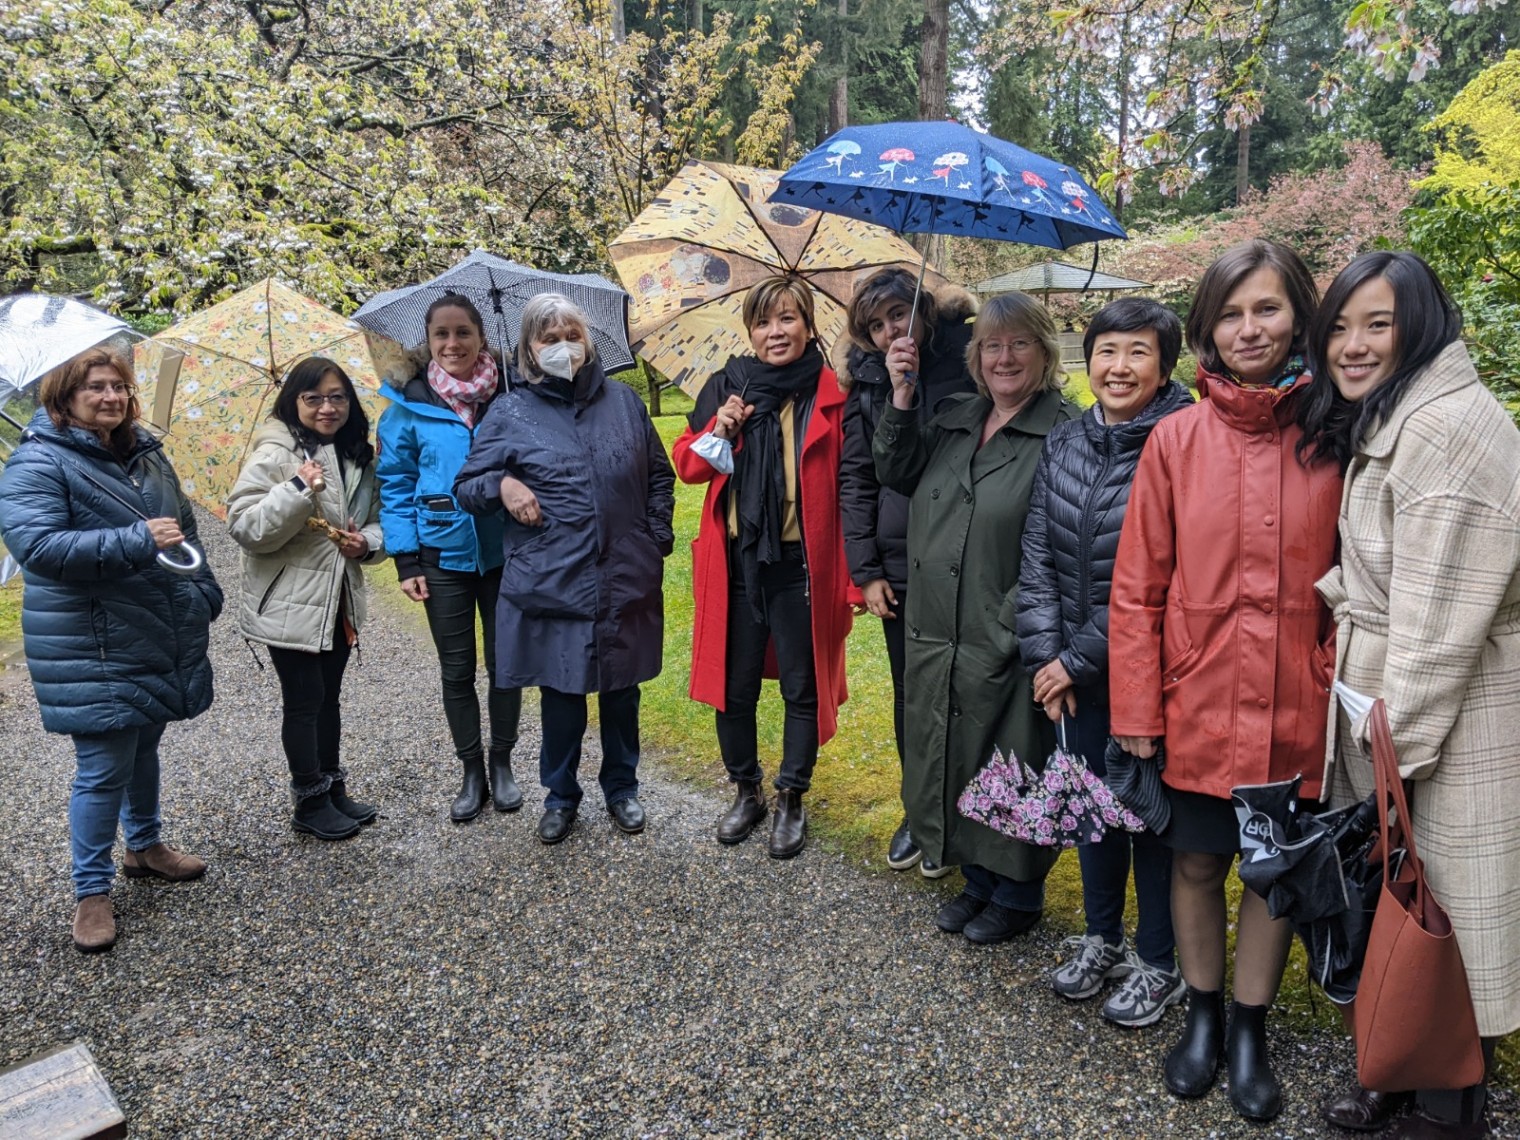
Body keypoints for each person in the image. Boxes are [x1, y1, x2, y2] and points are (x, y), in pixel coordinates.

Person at [1108, 239, 1342, 1122]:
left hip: (1296, 704)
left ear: (1298, 318)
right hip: (1197, 698)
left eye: (1269, 309)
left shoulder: (1333, 432)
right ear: (1207, 326)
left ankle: (1251, 1029)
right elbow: (1137, 586)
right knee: (1199, 860)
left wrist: (1329, 669)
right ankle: (1201, 1018)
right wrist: (1136, 704)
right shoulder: (1175, 438)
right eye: (1233, 312)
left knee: (1271, 872)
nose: (1251, 328)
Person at [1299, 251, 1520, 1140]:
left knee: (1447, 907)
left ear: (1420, 325)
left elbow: (1441, 620)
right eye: (1340, 327)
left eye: (1376, 325)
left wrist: (1399, 751)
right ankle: (1398, 1061)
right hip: (1389, 699)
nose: (1352, 346)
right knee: (1405, 897)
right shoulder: (1403, 415)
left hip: (1448, 713)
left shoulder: (1449, 431)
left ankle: (1448, 1101)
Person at [0, 347, 221, 953]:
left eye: (120, 387)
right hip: (91, 639)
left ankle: (145, 846)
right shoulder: (36, 466)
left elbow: (186, 528)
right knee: (102, 767)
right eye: (96, 387)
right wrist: (133, 539)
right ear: (63, 396)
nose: (112, 398)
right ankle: (90, 892)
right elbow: (39, 548)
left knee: (145, 740)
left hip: (153, 627)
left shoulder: (145, 453)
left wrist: (203, 588)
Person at [873, 292, 1079, 943]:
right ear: (975, 355)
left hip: (1010, 631)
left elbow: (1071, 546)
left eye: (1019, 343)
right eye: (992, 345)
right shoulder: (957, 417)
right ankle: (979, 880)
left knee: (1013, 758)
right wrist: (901, 394)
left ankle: (1018, 893)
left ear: (1044, 353)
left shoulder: (1063, 433)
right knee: (957, 753)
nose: (1004, 357)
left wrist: (1013, 621)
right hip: (940, 627)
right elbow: (895, 469)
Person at [1017, 298, 1193, 1025]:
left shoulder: (1182, 442)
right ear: (1086, 359)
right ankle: (1101, 937)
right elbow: (1036, 557)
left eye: (1138, 352)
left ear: (1165, 364)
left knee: (1144, 815)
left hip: (1148, 672)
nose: (1119, 367)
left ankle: (1159, 961)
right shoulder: (1067, 440)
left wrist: (1076, 661)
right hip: (1072, 671)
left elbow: (1166, 573)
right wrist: (1045, 653)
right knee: (1088, 807)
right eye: (1107, 350)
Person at [455, 294, 674, 844]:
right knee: (563, 693)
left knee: (622, 693)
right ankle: (560, 794)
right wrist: (502, 485)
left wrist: (655, 541)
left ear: (589, 340)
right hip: (556, 578)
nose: (562, 347)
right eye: (548, 339)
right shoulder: (510, 411)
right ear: (529, 349)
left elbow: (659, 478)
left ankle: (622, 788)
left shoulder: (624, 403)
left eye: (571, 335)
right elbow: (466, 487)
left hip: (624, 574)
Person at [671, 275, 854, 859]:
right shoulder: (727, 387)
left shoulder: (830, 392)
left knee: (802, 683)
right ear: (749, 329)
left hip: (802, 562)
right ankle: (746, 789)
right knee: (734, 684)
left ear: (808, 325)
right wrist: (718, 429)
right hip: (736, 560)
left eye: (787, 319)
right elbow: (689, 469)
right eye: (764, 321)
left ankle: (792, 795)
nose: (775, 332)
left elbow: (854, 485)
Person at [839, 268, 976, 876]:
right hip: (902, 560)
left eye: (899, 312)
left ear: (925, 308)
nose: (892, 328)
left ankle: (972, 813)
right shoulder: (867, 384)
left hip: (972, 554)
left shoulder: (974, 355)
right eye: (876, 324)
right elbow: (858, 479)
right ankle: (919, 810)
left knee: (973, 690)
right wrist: (866, 571)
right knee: (912, 693)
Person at [227, 357, 386, 841]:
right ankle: (309, 801)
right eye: (313, 397)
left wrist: (368, 544)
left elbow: (375, 520)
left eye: (337, 396)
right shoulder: (274, 455)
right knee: (304, 701)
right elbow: (246, 527)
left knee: (329, 700)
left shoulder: (355, 454)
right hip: (288, 603)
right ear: (293, 401)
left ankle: (333, 788)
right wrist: (298, 487)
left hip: (335, 600)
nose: (327, 407)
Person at [376, 294, 521, 823]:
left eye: (464, 332)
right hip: (442, 555)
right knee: (457, 669)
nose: (453, 344)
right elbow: (393, 486)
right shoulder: (406, 408)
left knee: (506, 665)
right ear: (428, 342)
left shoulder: (511, 395)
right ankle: (472, 770)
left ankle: (502, 763)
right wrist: (407, 561)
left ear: (482, 336)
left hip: (507, 553)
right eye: (442, 334)